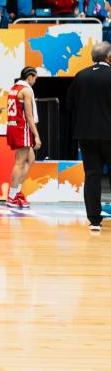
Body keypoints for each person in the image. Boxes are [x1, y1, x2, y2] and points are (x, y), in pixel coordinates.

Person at [66, 41, 111, 232]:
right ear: (109, 57)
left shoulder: (80, 76)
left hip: (85, 134)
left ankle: (94, 220)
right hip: (109, 134)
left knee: (92, 175)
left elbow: (69, 105)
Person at [5, 67, 41, 209]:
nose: (35, 81)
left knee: (30, 159)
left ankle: (16, 192)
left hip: (13, 126)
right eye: (35, 78)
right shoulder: (27, 90)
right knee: (20, 162)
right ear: (30, 77)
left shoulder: (14, 88)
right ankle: (12, 196)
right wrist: (36, 135)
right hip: (22, 128)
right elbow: (29, 115)